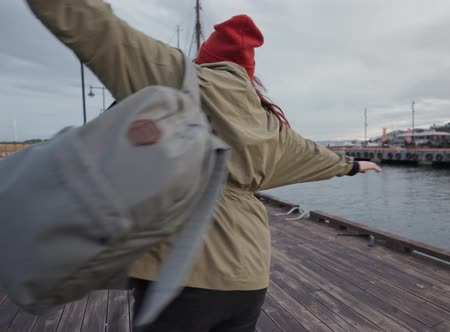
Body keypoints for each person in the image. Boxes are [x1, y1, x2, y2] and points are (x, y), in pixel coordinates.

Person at [26, 1, 382, 331]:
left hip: (184, 273)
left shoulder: (179, 81)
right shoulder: (271, 123)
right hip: (250, 277)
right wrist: (355, 165)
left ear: (207, 58)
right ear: (249, 73)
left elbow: (103, 32)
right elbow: (316, 156)